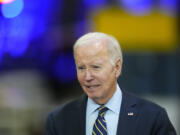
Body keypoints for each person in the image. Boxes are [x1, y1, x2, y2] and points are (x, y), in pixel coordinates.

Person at [45, 32, 177, 135]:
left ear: (117, 67)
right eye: (81, 68)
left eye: (96, 67)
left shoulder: (152, 117)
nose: (87, 76)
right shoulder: (59, 120)